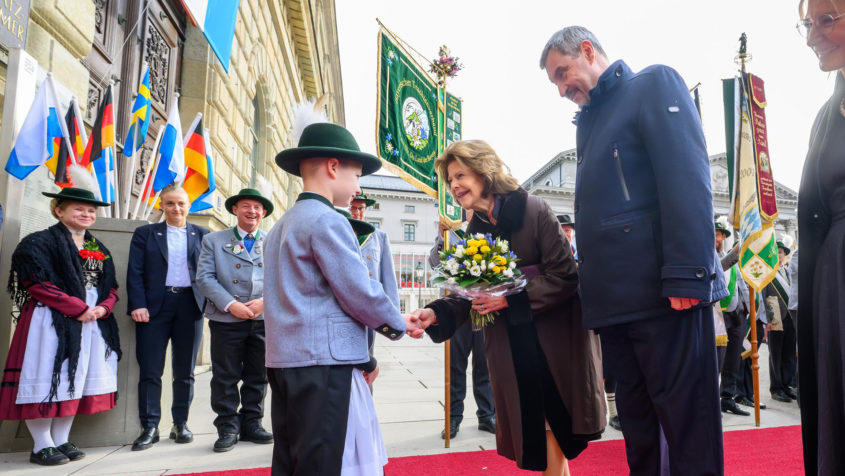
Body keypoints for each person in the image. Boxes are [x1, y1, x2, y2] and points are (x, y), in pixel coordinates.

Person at [540, 26, 727, 475]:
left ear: (587, 50)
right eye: (556, 84)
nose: (563, 89)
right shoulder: (591, 122)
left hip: (666, 297)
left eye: (563, 73)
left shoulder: (652, 84)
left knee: (688, 432)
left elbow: (686, 180)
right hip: (619, 308)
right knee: (641, 435)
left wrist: (687, 273)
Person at [411, 140, 606, 475]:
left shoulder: (535, 210)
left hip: (552, 345)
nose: (454, 185)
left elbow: (566, 276)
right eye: (449, 180)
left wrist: (508, 297)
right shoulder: (476, 227)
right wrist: (436, 312)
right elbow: (469, 290)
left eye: (460, 175)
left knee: (552, 430)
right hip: (513, 349)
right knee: (544, 435)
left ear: (484, 170)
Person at [266, 121, 417, 475]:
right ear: (333, 167)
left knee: (291, 459)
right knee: (323, 462)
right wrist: (398, 321)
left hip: (285, 360)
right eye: (357, 175)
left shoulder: (281, 225)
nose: (357, 187)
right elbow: (358, 291)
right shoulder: (327, 221)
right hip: (322, 362)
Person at [0, 186, 120, 466]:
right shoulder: (37, 243)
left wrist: (103, 307)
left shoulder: (96, 248)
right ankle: (42, 444)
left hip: (91, 324)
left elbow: (110, 286)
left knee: (74, 380)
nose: (86, 214)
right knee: (45, 377)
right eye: (78, 208)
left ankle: (61, 439)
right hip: (49, 321)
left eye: (91, 210)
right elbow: (35, 283)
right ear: (58, 210)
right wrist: (78, 309)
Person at [796, 2, 845, 472]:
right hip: (833, 283)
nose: (813, 36)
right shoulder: (825, 116)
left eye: (826, 20)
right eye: (808, 24)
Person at [126, 185, 209, 451]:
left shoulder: (203, 235)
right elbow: (135, 272)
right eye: (170, 203)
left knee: (185, 370)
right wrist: (137, 304)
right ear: (161, 205)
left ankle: (180, 424)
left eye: (181, 203)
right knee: (151, 369)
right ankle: (150, 426)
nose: (177, 209)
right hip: (153, 307)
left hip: (190, 305)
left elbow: (209, 273)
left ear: (189, 205)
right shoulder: (145, 234)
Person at [196, 188, 274, 452]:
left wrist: (266, 300)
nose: (251, 211)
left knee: (258, 374)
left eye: (257, 208)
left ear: (263, 213)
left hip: (262, 318)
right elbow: (205, 278)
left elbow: (283, 278)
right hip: (226, 318)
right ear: (235, 210)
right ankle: (227, 426)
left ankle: (253, 422)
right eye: (246, 206)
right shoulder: (214, 240)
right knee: (225, 375)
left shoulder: (273, 240)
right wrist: (231, 304)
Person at [427, 209, 496, 439]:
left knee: (484, 364)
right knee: (455, 365)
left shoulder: (487, 229)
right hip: (457, 310)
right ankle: (454, 417)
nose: (469, 210)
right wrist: (441, 237)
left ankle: (487, 415)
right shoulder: (451, 233)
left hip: (482, 306)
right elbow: (435, 263)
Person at [350, 193, 400, 390]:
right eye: (353, 208)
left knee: (367, 362)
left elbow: (388, 276)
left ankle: (365, 405)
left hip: (370, 311)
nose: (357, 212)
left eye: (361, 208)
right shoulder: (339, 231)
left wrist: (394, 316)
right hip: (344, 308)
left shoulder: (379, 237)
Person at [714, 218, 751, 417]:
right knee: (716, 361)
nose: (717, 238)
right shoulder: (707, 255)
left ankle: (727, 397)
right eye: (714, 234)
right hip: (718, 314)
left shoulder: (724, 255)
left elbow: (739, 282)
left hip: (737, 313)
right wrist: (735, 253)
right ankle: (712, 399)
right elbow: (719, 268)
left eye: (720, 235)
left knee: (733, 360)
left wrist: (747, 307)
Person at [762, 241, 797, 404]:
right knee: (776, 353)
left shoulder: (787, 271)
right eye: (776, 252)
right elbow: (762, 295)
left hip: (790, 314)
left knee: (789, 352)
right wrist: (766, 319)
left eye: (781, 252)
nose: (779, 255)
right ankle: (776, 388)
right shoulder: (766, 272)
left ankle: (786, 385)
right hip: (774, 312)